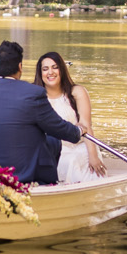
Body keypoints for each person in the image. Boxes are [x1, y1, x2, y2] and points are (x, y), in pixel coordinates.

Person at [0, 40, 85, 185]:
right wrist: (78, 131)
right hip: (19, 175)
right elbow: (58, 128)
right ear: (20, 67)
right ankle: (43, 182)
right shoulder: (33, 93)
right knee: (52, 140)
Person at [37, 51, 106, 182]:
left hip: (79, 146)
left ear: (62, 70)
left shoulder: (77, 92)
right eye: (45, 69)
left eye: (55, 67)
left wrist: (93, 155)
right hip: (52, 149)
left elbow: (86, 126)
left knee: (76, 161)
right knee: (65, 161)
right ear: (41, 74)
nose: (50, 72)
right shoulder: (36, 96)